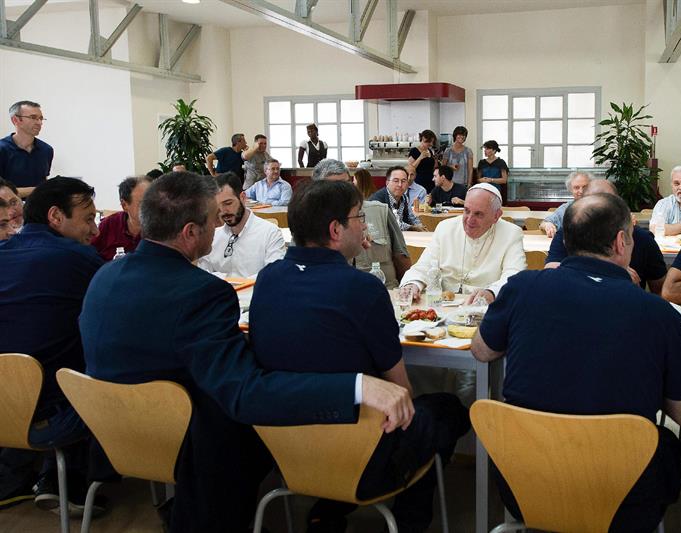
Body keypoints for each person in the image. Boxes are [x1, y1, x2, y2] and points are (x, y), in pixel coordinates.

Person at [79, 171, 414, 533]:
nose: (219, 225)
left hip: (112, 434)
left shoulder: (104, 277)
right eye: (212, 220)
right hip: (187, 446)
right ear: (190, 233)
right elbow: (247, 393)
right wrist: (359, 386)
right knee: (265, 420)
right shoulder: (202, 293)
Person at [472, 192, 681, 533]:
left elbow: (481, 350)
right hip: (623, 493)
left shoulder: (523, 288)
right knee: (668, 446)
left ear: (566, 240)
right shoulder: (657, 314)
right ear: (622, 241)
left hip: (524, 484)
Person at [249, 179, 469, 533]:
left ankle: (331, 508)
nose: (366, 226)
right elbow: (401, 392)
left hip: (286, 447)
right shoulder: (363, 289)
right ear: (336, 229)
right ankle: (410, 519)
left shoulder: (268, 279)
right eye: (360, 218)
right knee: (448, 410)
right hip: (362, 452)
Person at [0, 177, 104, 514]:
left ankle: (42, 477)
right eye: (88, 218)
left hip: (6, 409)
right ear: (56, 216)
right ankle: (70, 483)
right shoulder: (77, 259)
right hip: (51, 419)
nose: (95, 230)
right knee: (107, 364)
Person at [400, 183, 526, 305]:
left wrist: (492, 292)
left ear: (496, 216)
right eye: (467, 211)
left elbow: (514, 275)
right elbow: (425, 265)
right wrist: (413, 283)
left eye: (478, 214)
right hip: (442, 304)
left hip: (484, 306)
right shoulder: (446, 228)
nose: (469, 220)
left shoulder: (511, 233)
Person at [545, 179, 667, 294]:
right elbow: (550, 273)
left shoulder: (642, 238)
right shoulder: (568, 232)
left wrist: (634, 292)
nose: (601, 208)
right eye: (593, 202)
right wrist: (608, 273)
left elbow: (661, 289)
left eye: (609, 202)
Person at [313, 159, 411, 290]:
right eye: (333, 188)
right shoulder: (311, 222)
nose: (342, 192)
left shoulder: (379, 211)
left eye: (345, 184)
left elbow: (401, 258)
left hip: (385, 292)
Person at [198, 172, 285, 278]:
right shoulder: (214, 235)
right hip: (220, 293)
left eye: (228, 203)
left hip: (253, 293)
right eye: (218, 206)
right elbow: (202, 272)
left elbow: (273, 275)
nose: (223, 211)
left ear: (243, 198)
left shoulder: (270, 233)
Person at [90, 175, 154, 261]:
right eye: (144, 203)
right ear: (124, 205)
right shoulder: (109, 225)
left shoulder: (163, 228)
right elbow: (90, 256)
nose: (152, 208)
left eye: (154, 202)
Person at [0, 101, 54, 198]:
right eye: (33, 117)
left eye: (41, 118)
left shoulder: (47, 150)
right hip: (8, 210)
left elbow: (43, 180)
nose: (39, 123)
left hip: (38, 209)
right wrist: (40, 189)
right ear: (15, 120)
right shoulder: (2, 149)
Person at [370, 166, 426, 231]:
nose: (400, 184)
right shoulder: (378, 200)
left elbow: (409, 218)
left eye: (403, 181)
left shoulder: (404, 198)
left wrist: (420, 226)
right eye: (396, 181)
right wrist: (412, 227)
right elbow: (391, 224)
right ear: (387, 183)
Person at [539, 171, 592, 237]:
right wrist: (548, 225)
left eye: (585, 187)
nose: (581, 191)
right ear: (570, 190)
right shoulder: (565, 208)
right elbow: (544, 223)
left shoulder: (601, 206)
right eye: (576, 187)